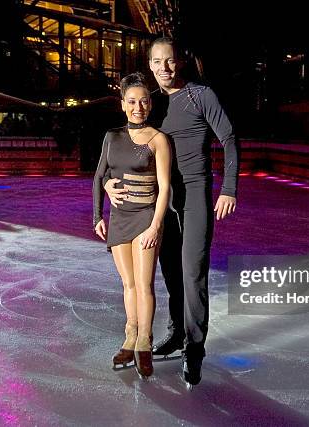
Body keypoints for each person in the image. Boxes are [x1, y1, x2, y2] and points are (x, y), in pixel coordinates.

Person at [104, 37, 239, 388]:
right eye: (158, 62)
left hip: (194, 197)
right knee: (170, 273)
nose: (165, 68)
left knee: (193, 274)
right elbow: (125, 150)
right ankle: (177, 334)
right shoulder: (152, 105)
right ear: (150, 66)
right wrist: (107, 184)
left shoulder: (200, 95)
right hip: (160, 203)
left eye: (170, 61)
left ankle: (194, 350)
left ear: (179, 62)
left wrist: (228, 188)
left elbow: (229, 138)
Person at [93, 72, 171, 379]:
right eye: (131, 101)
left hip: (145, 218)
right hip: (119, 219)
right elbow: (99, 176)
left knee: (144, 284)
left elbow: (165, 188)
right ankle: (130, 336)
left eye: (143, 101)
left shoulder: (158, 139)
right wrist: (97, 215)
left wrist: (155, 226)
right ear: (123, 105)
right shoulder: (112, 137)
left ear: (150, 104)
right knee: (127, 284)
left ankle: (144, 343)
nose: (138, 106)